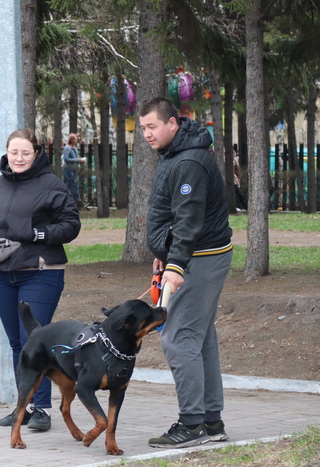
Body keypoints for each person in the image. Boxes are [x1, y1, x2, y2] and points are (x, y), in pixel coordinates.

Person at [0, 128, 81, 431]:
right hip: (1, 274)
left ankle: (42, 409)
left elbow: (71, 225)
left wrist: (37, 233)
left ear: (36, 153)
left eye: (25, 153)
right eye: (13, 152)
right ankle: (26, 407)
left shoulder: (52, 185)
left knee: (36, 340)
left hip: (40, 273)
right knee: (17, 342)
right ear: (6, 152)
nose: (18, 158)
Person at [139, 97, 233, 448]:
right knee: (200, 338)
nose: (147, 134)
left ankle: (192, 424)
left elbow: (189, 219)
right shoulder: (176, 153)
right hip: (195, 255)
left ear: (172, 124)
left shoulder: (189, 161)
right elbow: (173, 214)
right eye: (143, 128)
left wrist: (176, 264)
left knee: (177, 337)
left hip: (199, 258)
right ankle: (210, 421)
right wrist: (164, 254)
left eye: (152, 126)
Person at [61, 133, 85, 208]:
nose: (76, 140)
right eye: (75, 139)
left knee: (69, 184)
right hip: (68, 168)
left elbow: (75, 157)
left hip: (74, 168)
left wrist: (79, 160)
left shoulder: (74, 148)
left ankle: (66, 199)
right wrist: (77, 160)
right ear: (71, 140)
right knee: (73, 183)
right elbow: (66, 159)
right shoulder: (67, 148)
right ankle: (78, 199)